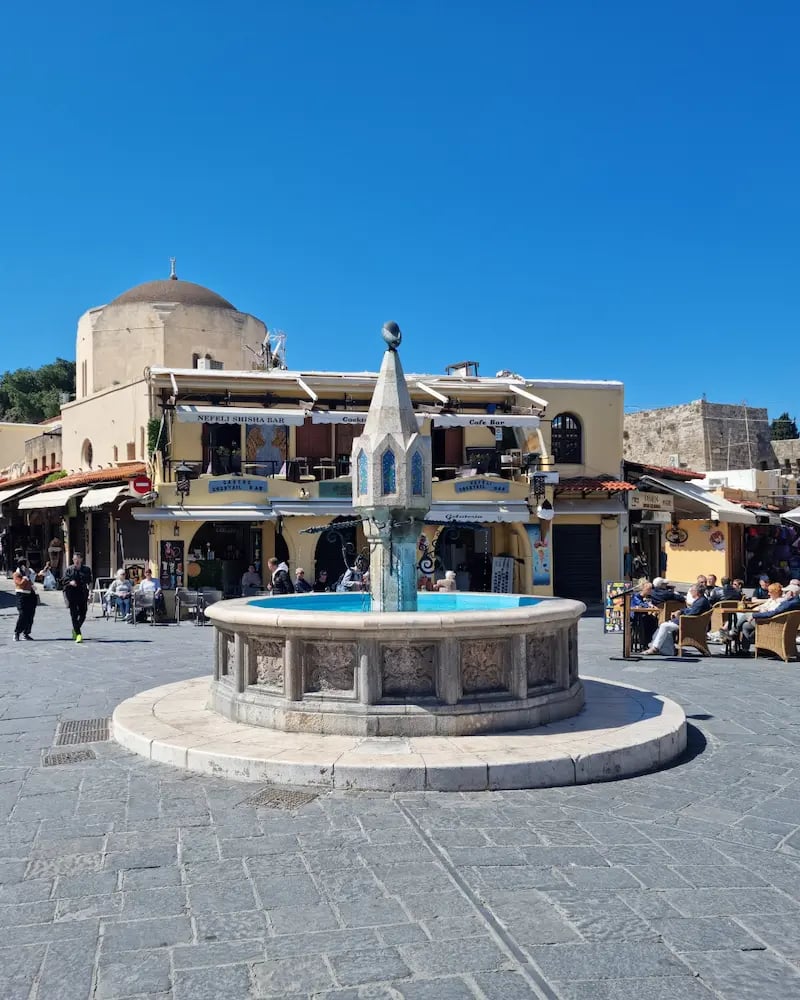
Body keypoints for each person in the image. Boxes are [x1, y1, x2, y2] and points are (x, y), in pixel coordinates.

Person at [644, 585, 711, 656]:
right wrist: (680, 611)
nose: (690, 592)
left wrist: (678, 617)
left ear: (696, 592)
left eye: (691, 590)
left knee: (664, 626)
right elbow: (689, 610)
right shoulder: (700, 600)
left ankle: (655, 648)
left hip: (688, 624)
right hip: (688, 622)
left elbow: (691, 614)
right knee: (664, 626)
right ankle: (667, 651)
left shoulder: (701, 602)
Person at [738, 583, 800, 654]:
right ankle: (745, 649)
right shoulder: (795, 602)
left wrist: (754, 615)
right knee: (745, 625)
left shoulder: (788, 604)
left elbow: (772, 613)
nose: (784, 593)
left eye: (786, 592)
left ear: (792, 593)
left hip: (773, 625)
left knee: (746, 615)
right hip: (781, 625)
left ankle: (734, 632)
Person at [62, 551, 92, 642]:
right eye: (75, 559)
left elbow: (90, 582)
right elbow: (63, 581)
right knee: (74, 615)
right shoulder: (69, 570)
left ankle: (75, 629)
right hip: (72, 595)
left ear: (81, 560)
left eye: (78, 559)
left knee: (83, 615)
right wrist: (70, 582)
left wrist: (90, 593)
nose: (76, 561)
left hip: (83, 594)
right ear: (73, 560)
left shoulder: (86, 569)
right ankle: (78, 634)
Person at [12, 559, 37, 641]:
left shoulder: (30, 572)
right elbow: (20, 584)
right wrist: (25, 578)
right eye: (27, 564)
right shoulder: (17, 574)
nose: (28, 565)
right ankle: (17, 632)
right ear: (23, 566)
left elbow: (34, 579)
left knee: (30, 615)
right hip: (21, 596)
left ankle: (26, 633)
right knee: (23, 614)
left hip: (30, 595)